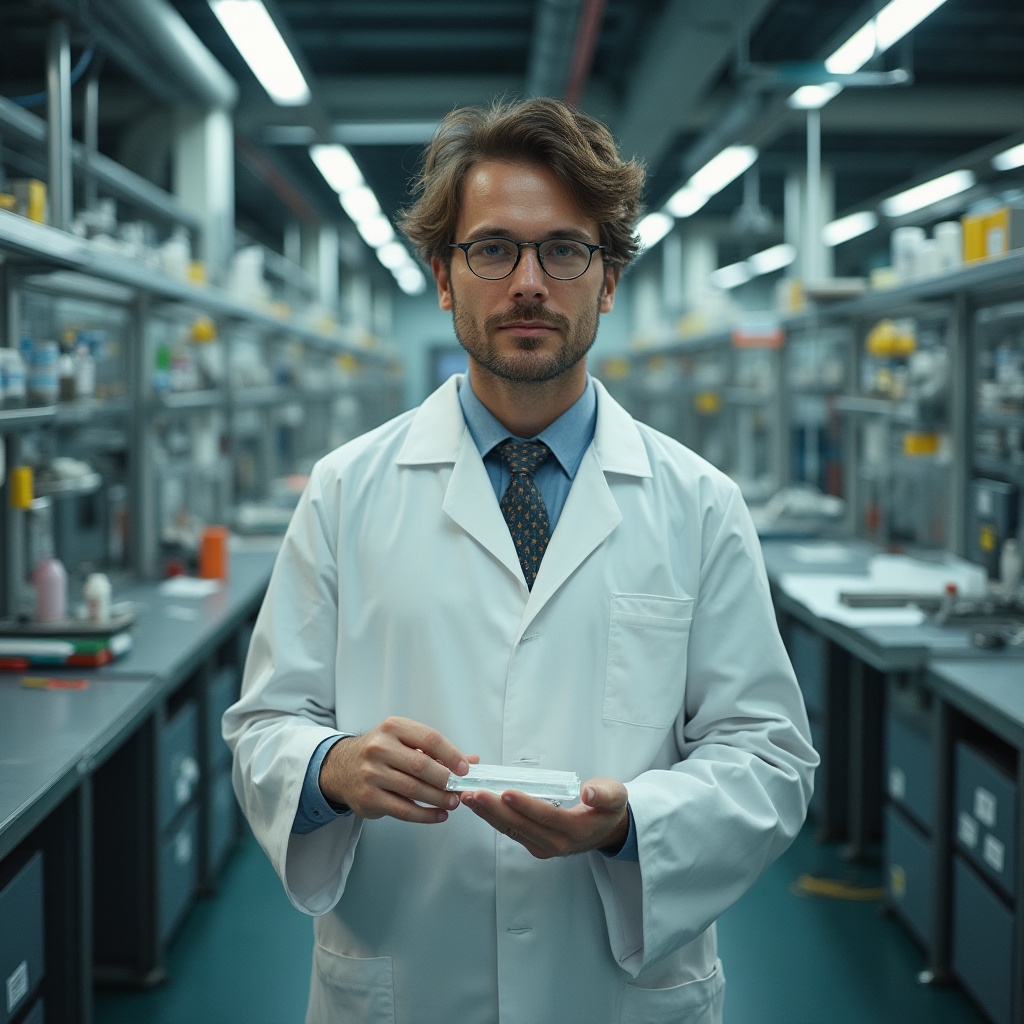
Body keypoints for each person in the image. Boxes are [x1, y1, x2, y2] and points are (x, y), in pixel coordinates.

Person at [224, 96, 817, 1024]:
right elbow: (266, 724)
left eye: (565, 250)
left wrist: (632, 824)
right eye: (493, 249)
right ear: (444, 276)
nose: (529, 282)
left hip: (616, 987)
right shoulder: (346, 491)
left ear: (608, 279)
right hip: (407, 976)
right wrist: (331, 767)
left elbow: (769, 755)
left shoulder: (699, 503)